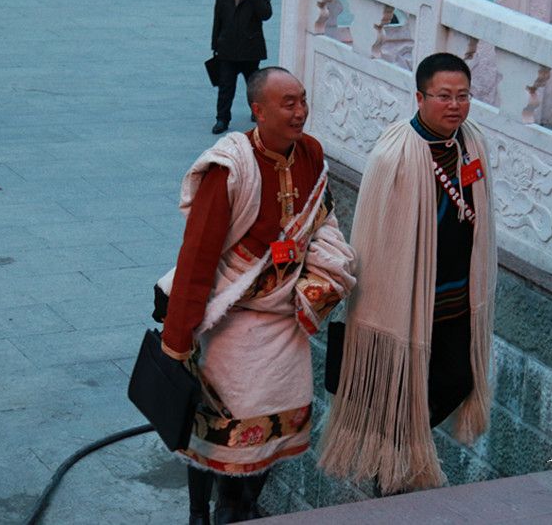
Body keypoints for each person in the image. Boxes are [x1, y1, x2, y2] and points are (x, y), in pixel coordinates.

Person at [154, 67, 356, 524]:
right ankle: (199, 514)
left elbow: (323, 221)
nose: (300, 112)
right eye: (289, 104)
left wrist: (322, 277)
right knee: (213, 422)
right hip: (232, 311)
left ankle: (241, 506)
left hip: (284, 318)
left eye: (303, 100)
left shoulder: (311, 153)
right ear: (258, 111)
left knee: (279, 419)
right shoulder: (230, 167)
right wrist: (178, 341)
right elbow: (198, 257)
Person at [317, 53, 497, 495]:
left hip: (458, 297)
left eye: (463, 96)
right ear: (420, 97)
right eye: (443, 96)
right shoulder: (396, 153)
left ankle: (401, 443)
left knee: (457, 380)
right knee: (399, 392)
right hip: (407, 301)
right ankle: (392, 475)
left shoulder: (470, 141)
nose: (454, 105)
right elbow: (377, 241)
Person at [210, 0, 272, 134]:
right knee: (225, 86)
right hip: (227, 48)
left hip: (250, 49)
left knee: (254, 86)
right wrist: (215, 43)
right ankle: (222, 119)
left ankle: (257, 112)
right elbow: (217, 18)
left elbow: (266, 14)